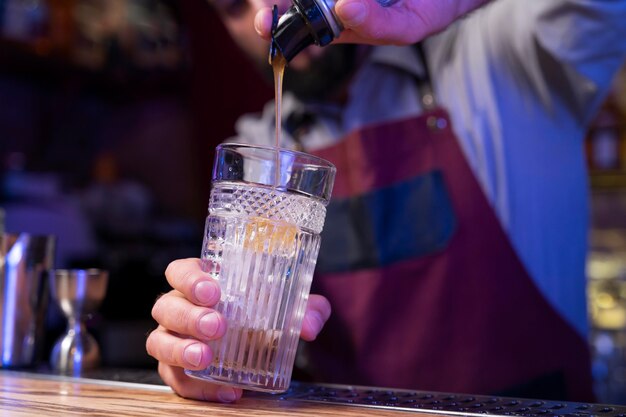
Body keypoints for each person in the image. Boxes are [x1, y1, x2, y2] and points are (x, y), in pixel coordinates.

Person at [146, 0, 626, 404]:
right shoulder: (257, 154)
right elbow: (253, 349)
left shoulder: (498, 57)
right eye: (235, 5)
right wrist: (205, 354)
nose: (267, 16)